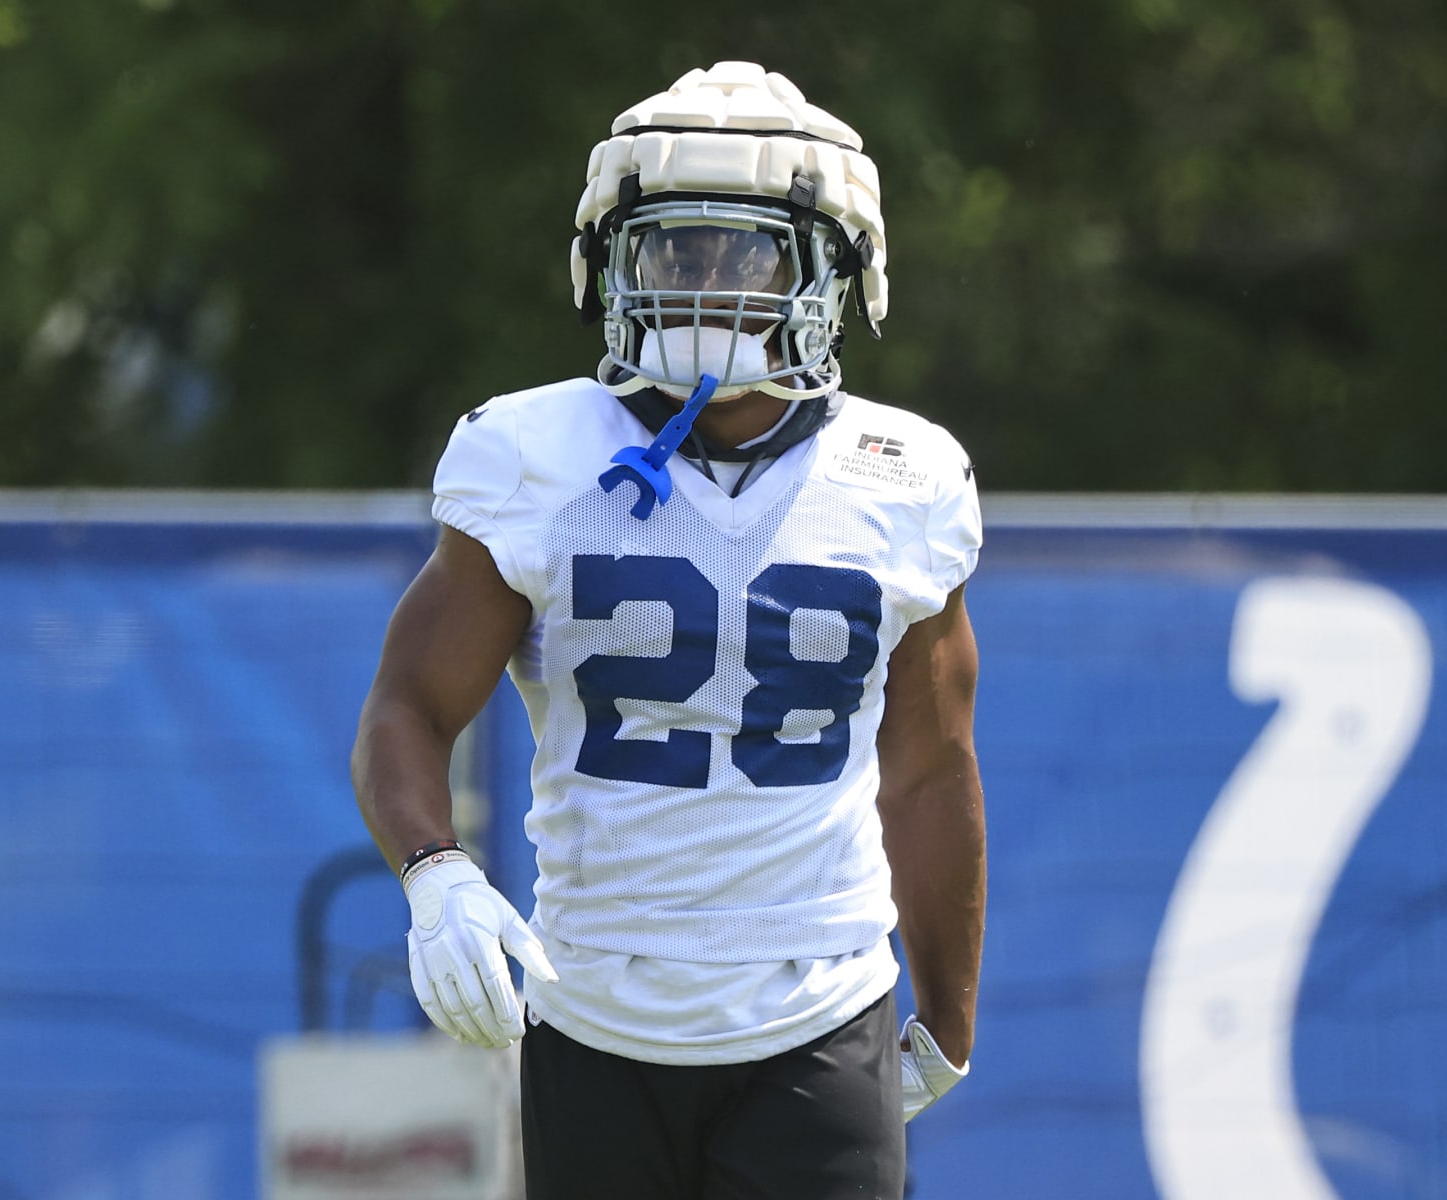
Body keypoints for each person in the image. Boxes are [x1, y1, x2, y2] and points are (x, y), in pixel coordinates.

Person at [353, 60, 985, 1200]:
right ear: (613, 265)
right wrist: (435, 872)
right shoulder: (536, 456)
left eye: (747, 252)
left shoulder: (901, 475)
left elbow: (931, 769)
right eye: (674, 251)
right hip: (594, 1011)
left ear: (832, 274)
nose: (705, 283)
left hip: (818, 1008)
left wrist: (951, 1012)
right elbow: (408, 705)